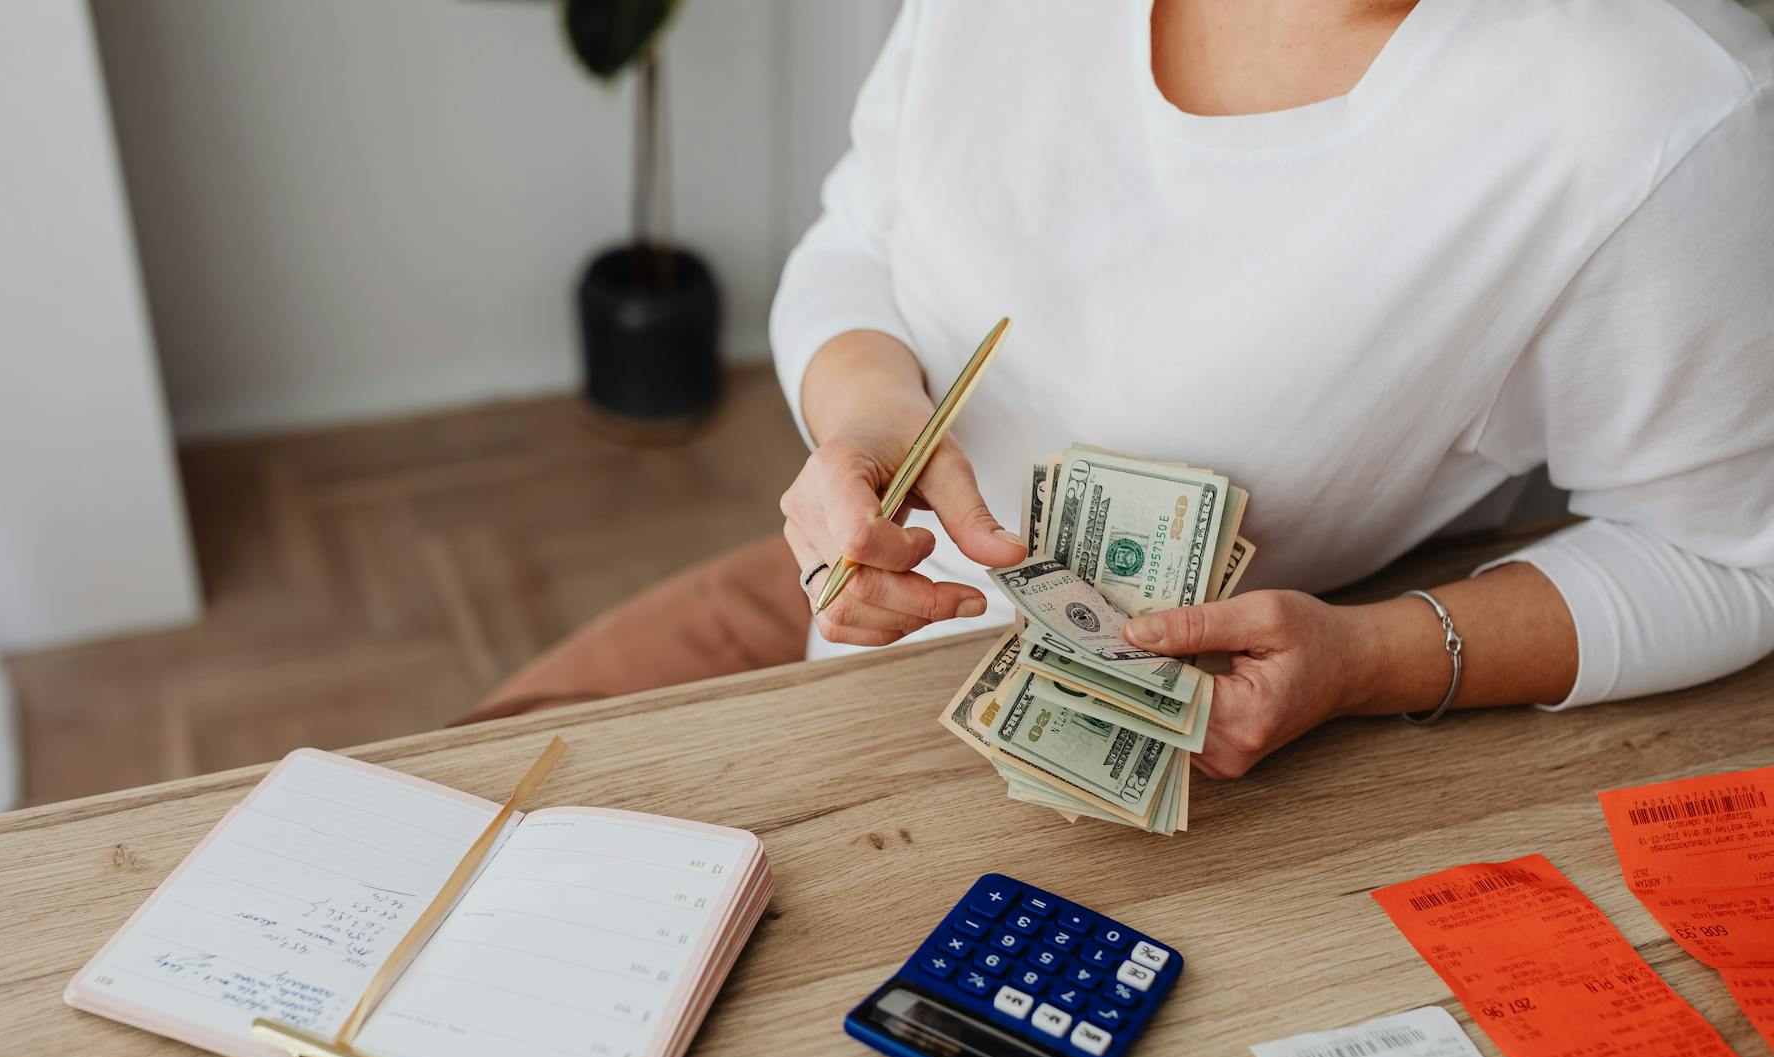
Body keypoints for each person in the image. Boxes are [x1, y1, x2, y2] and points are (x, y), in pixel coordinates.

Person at [466, 0, 1774, 781]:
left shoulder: (1652, 117)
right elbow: (864, 229)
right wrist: (865, 420)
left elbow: (1731, 563)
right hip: (850, 630)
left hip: (1188, 771)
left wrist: (1372, 660)